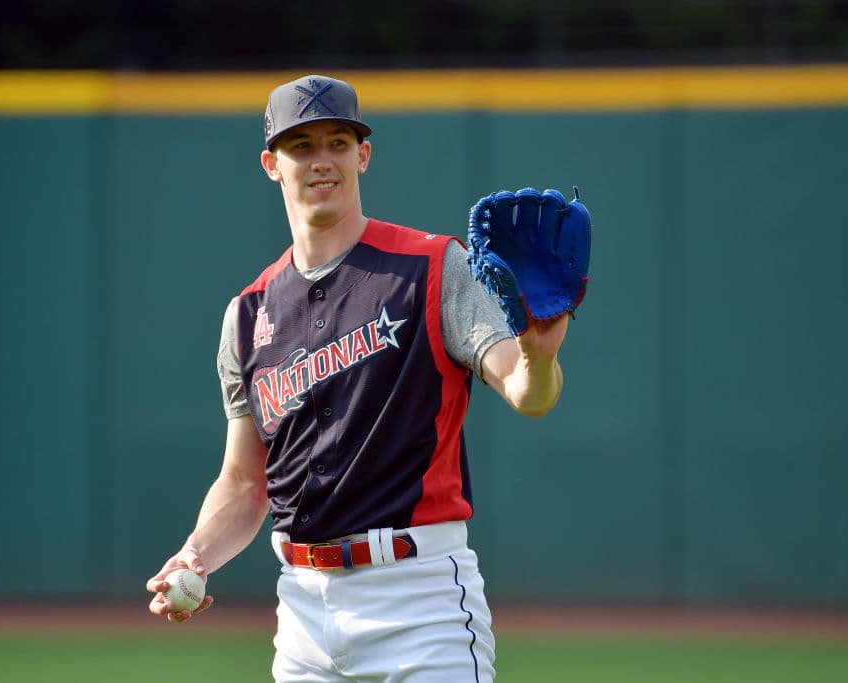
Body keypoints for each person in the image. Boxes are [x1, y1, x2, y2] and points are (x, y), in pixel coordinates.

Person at [146, 74, 572, 683]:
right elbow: (244, 482)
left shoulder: (432, 266)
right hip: (301, 616)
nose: (322, 160)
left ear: (362, 155)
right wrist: (194, 552)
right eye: (302, 146)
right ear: (272, 164)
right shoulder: (247, 314)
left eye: (338, 142)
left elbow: (528, 395)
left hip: (420, 604)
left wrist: (537, 354)